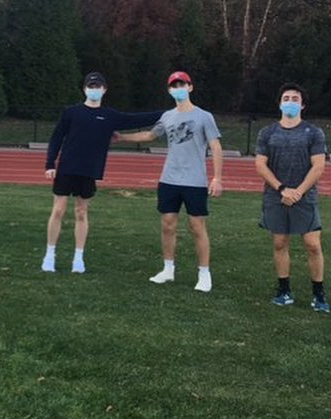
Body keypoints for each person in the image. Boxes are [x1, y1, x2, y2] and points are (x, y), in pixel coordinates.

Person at [42, 72, 163, 274]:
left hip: (89, 170)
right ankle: (49, 254)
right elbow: (56, 138)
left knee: (81, 212)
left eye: (97, 86)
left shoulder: (109, 116)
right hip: (67, 168)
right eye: (91, 86)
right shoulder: (71, 112)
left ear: (104, 90)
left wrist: (170, 112)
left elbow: (136, 119)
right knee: (58, 210)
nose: (94, 90)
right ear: (84, 89)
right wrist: (50, 164)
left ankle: (78, 257)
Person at [117, 71, 223, 292]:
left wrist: (217, 178)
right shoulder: (167, 116)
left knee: (197, 226)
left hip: (195, 181)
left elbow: (215, 146)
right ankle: (168, 269)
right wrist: (122, 137)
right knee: (167, 224)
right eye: (174, 86)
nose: (178, 89)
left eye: (182, 84)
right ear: (169, 90)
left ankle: (204, 274)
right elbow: (150, 136)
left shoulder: (204, 116)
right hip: (169, 179)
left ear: (190, 87)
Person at [254, 83, 329, 313]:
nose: (290, 102)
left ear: (302, 105)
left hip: (305, 197)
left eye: (295, 99)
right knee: (280, 242)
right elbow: (261, 164)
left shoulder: (314, 132)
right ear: (279, 103)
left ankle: (319, 294)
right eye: (286, 98)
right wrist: (282, 189)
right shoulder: (267, 133)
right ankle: (284, 290)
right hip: (276, 195)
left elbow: (318, 166)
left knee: (313, 245)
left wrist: (298, 192)